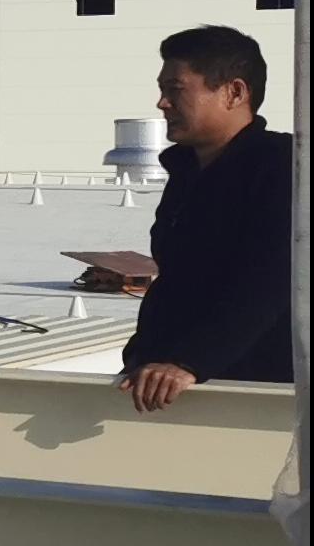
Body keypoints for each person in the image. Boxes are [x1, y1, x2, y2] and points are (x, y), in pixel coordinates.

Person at [121, 24, 295, 414]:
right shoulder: (187, 173)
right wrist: (140, 359)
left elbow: (270, 282)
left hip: (261, 401)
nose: (162, 103)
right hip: (180, 392)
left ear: (234, 92)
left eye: (176, 89)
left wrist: (190, 362)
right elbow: (175, 285)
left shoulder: (283, 167)